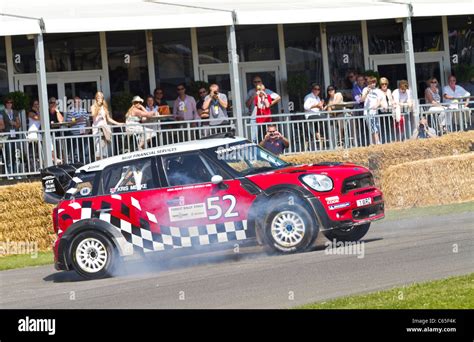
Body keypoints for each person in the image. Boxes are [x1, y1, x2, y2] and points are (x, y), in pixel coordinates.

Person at [90, 92, 122, 160]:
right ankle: (98, 162)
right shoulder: (93, 107)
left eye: (101, 97)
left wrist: (118, 123)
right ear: (96, 98)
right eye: (98, 97)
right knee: (99, 147)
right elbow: (93, 115)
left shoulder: (104, 107)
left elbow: (108, 119)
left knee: (104, 148)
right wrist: (98, 108)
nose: (100, 98)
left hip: (104, 128)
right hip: (97, 129)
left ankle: (103, 161)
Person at [0, 97, 22, 178]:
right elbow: (1, 125)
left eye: (11, 103)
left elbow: (19, 124)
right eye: (7, 103)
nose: (9, 104)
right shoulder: (2, 112)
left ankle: (17, 173)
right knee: (8, 155)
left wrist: (13, 123)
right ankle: (10, 174)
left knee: (17, 155)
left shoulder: (15, 112)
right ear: (5, 104)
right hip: (7, 136)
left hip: (15, 135)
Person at [65, 96, 90, 163]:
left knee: (86, 151)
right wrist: (78, 120)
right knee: (75, 152)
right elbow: (69, 123)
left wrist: (87, 131)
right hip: (75, 134)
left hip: (84, 134)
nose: (78, 103)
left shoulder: (84, 110)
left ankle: (86, 164)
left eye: (79, 102)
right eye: (76, 102)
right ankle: (76, 166)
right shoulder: (71, 111)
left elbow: (87, 122)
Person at [361, 76, 383, 145]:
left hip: (374, 112)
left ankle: (376, 142)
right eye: (371, 82)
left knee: (376, 127)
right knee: (372, 128)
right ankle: (376, 142)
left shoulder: (378, 91)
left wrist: (376, 106)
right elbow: (362, 100)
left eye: (374, 82)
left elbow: (379, 100)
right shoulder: (365, 89)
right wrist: (367, 93)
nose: (373, 84)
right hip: (367, 112)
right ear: (368, 83)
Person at [378, 77, 394, 143]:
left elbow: (391, 100)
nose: (384, 85)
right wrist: (381, 105)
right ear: (380, 85)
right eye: (382, 84)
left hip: (389, 111)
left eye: (385, 84)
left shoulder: (389, 91)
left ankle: (389, 141)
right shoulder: (378, 91)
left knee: (389, 127)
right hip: (381, 112)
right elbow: (377, 101)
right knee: (382, 128)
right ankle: (383, 142)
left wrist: (394, 103)